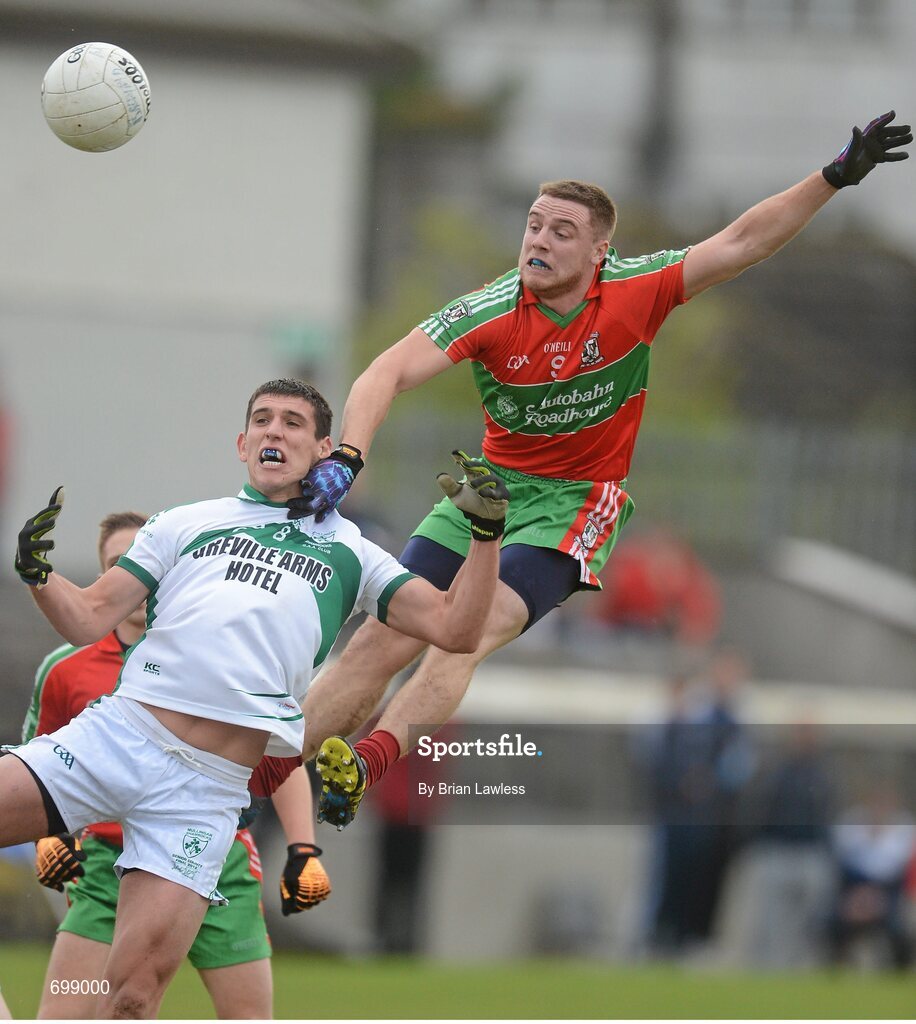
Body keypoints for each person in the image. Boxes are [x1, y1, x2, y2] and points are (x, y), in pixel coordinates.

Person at [293, 112, 912, 823]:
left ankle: (367, 763)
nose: (539, 239)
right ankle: (252, 784)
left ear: (599, 251)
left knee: (470, 626)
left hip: (574, 504)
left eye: (562, 231)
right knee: (380, 637)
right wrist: (347, 453)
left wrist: (835, 175)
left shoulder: (637, 289)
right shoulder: (493, 309)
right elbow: (386, 371)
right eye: (533, 224)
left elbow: (742, 241)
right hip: (487, 491)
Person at [0, 378, 507, 1019]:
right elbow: (86, 617)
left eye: (293, 423)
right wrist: (39, 576)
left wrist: (487, 535)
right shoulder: (185, 522)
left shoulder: (352, 550)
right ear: (242, 444)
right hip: (120, 736)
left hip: (206, 790)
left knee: (130, 997)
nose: (274, 431)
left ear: (326, 450)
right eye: (262, 420)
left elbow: (456, 627)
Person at [25, 511, 329, 1020]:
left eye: (138, 562)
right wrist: (49, 837)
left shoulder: (215, 650)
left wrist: (304, 848)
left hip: (216, 852)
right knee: (70, 1013)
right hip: (106, 865)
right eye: (114, 565)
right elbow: (45, 761)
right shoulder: (66, 667)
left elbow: (282, 752)